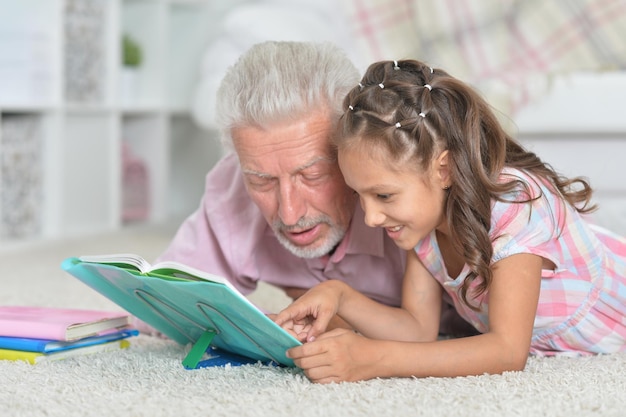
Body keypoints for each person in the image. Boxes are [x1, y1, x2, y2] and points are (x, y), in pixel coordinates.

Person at [274, 58, 626, 383]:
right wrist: (337, 295)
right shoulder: (423, 226)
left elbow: (507, 350)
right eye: (358, 195)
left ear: (443, 169)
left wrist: (375, 359)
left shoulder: (515, 206)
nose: (370, 218)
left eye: (383, 196)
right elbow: (417, 330)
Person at [158, 41, 477, 335]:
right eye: (262, 181)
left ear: (354, 149)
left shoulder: (415, 193)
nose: (290, 212)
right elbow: (166, 297)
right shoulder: (234, 185)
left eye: (312, 176)